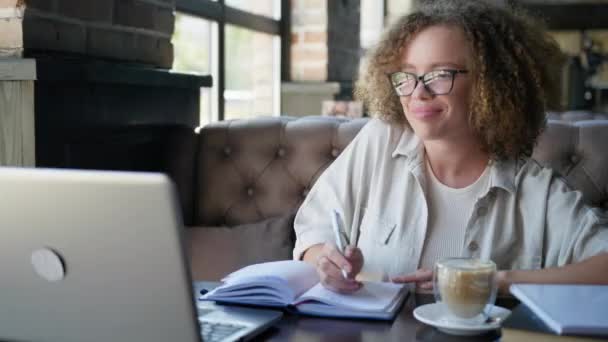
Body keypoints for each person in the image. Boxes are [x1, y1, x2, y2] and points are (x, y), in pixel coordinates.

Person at [292, 0, 608, 294]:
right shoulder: (379, 140)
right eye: (408, 76)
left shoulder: (534, 190)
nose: (418, 92)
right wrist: (324, 261)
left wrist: (494, 281)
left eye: (440, 75)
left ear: (491, 85)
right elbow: (314, 232)